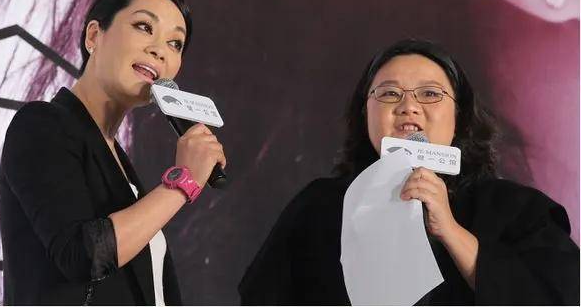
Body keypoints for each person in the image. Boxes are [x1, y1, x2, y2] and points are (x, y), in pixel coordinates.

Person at [238, 38, 579, 305]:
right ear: (365, 113)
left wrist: (451, 231)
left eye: (430, 93)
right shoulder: (319, 205)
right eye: (389, 93)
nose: (408, 106)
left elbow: (558, 297)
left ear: (460, 115)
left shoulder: (517, 209)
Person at [0, 0, 227, 305]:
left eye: (175, 43)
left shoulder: (117, 160)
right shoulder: (42, 125)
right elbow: (82, 254)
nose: (160, 50)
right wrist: (182, 182)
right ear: (94, 35)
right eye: (144, 27)